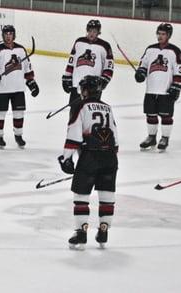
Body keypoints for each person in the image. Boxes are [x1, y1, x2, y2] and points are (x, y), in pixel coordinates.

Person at [58, 75, 118, 250]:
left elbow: (74, 134)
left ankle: (81, 231)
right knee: (107, 196)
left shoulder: (80, 106)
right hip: (110, 157)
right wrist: (111, 157)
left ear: (85, 90)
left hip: (90, 157)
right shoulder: (108, 108)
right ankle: (104, 230)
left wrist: (66, 157)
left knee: (81, 196)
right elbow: (115, 136)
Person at [0, 25, 38, 149]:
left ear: (14, 35)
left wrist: (32, 83)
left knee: (19, 113)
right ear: (3, 36)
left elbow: (27, 67)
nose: (8, 36)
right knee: (0, 114)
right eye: (6, 34)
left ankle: (18, 136)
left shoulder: (21, 50)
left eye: (10, 34)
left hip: (18, 89)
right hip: (2, 88)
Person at [135, 23, 181, 152]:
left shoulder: (175, 51)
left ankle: (165, 138)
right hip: (151, 88)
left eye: (163, 34)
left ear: (168, 36)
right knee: (150, 114)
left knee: (166, 116)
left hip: (166, 90)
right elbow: (143, 64)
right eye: (159, 33)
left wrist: (176, 87)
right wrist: (140, 72)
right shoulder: (150, 49)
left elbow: (178, 71)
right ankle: (151, 137)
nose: (160, 36)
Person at [62, 20, 114, 114]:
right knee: (74, 115)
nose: (91, 34)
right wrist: (66, 77)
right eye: (90, 31)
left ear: (98, 32)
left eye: (94, 31)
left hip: (93, 87)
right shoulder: (79, 42)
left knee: (90, 115)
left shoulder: (105, 46)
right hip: (76, 84)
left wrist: (104, 80)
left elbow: (109, 67)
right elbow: (71, 61)